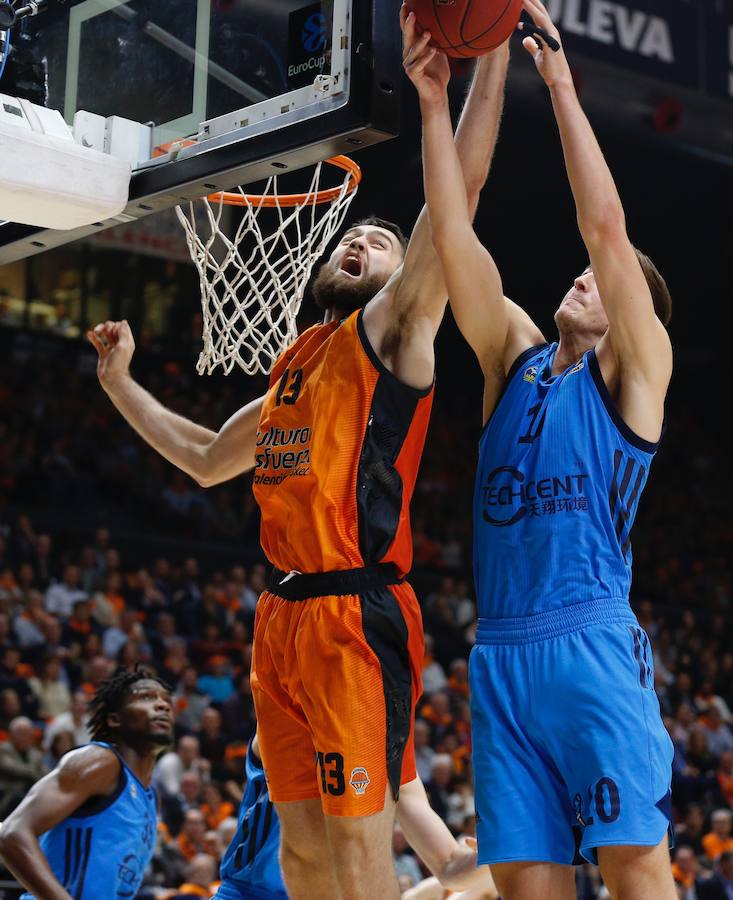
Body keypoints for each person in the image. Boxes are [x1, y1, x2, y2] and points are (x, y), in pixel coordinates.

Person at [86, 8, 511, 898]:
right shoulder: (294, 365)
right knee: (302, 861)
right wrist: (120, 382)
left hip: (355, 619)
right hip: (278, 626)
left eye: (384, 244)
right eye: (356, 232)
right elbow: (205, 457)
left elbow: (456, 200)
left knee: (360, 867)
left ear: (405, 280)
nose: (362, 239)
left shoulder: (391, 333)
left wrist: (477, 66)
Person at [405, 0, 675, 897]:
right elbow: (452, 241)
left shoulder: (635, 377)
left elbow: (605, 227)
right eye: (586, 276)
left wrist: (558, 83)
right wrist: (433, 102)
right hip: (501, 653)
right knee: (524, 889)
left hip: (589, 643)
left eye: (607, 286)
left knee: (637, 877)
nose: (585, 275)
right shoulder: (511, 361)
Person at [213, 732, 497, 900]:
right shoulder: (286, 712)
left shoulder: (392, 746)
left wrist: (500, 847)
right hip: (250, 894)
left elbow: (450, 866)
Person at [0, 667, 174, 899]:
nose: (163, 705)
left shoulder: (151, 797)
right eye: (146, 697)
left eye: (166, 700)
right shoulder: (98, 762)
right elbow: (11, 833)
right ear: (115, 719)